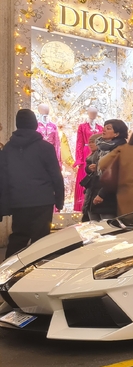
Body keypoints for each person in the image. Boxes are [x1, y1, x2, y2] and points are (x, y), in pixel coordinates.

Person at [2, 109, 64, 258]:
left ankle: (9, 272)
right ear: (35, 124)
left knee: (18, 237)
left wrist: (5, 203)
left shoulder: (7, 149)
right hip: (42, 200)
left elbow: (3, 177)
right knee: (41, 239)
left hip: (18, 200)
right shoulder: (45, 148)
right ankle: (37, 272)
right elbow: (56, 175)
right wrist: (59, 200)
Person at [88, 119, 129, 221]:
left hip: (109, 194)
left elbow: (117, 174)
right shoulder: (101, 147)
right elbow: (91, 163)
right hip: (96, 188)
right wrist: (91, 168)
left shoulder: (120, 149)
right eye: (104, 127)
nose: (103, 131)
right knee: (94, 226)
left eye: (108, 128)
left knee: (108, 226)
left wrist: (102, 194)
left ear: (116, 133)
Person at [80, 133, 102, 222]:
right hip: (91, 190)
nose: (90, 144)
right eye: (89, 142)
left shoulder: (101, 154)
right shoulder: (90, 156)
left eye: (93, 142)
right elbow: (87, 170)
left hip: (97, 189)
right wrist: (88, 168)